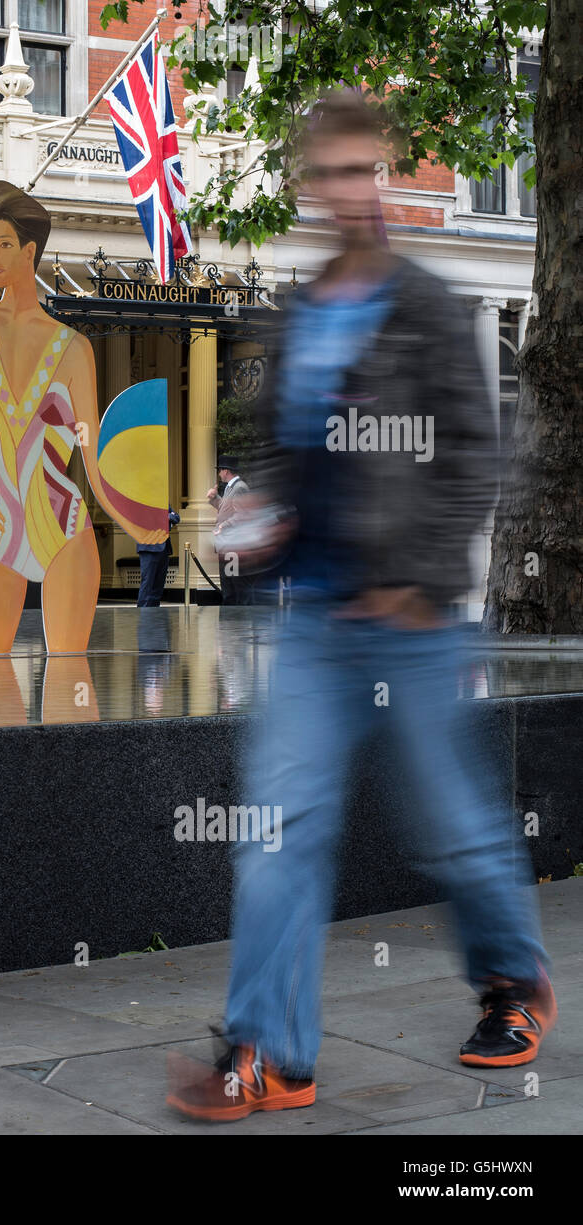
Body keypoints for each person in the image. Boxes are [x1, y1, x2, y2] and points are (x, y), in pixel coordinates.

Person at [167, 88, 554, 1122]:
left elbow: (476, 452)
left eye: (365, 170)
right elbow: (282, 462)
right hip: (317, 621)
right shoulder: (293, 315)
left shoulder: (426, 303)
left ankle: (513, 979)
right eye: (330, 173)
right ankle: (268, 1051)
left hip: (416, 621)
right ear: (309, 185)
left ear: (384, 175)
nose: (349, 190)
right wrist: (254, 516)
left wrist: (423, 575)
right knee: (276, 832)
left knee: (452, 829)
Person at [0, 179, 159, 654]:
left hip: (66, 529)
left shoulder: (74, 347)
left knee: (68, 687)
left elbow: (90, 442)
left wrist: (132, 521)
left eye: (2, 244)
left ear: (29, 250)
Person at [208, 457, 254, 604]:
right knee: (229, 586)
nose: (219, 474)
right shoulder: (231, 487)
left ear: (225, 470)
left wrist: (224, 525)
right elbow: (226, 509)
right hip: (228, 545)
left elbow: (243, 514)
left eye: (220, 470)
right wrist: (214, 498)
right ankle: (231, 619)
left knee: (234, 586)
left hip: (233, 545)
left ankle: (236, 620)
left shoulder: (239, 488)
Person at [136, 506, 179, 607]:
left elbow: (176, 517)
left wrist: (166, 517)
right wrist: (166, 517)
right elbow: (145, 519)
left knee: (158, 585)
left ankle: (154, 612)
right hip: (148, 546)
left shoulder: (163, 499)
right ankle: (143, 613)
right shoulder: (142, 499)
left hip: (164, 547)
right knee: (147, 583)